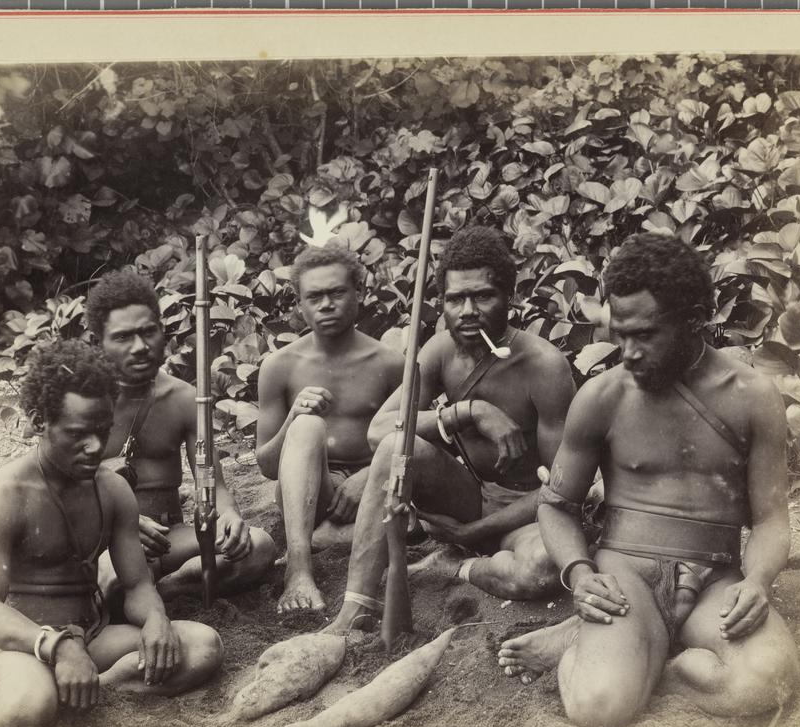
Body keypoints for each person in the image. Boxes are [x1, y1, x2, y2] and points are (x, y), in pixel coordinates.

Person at [497, 233, 800, 727]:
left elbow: (770, 521)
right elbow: (555, 505)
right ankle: (613, 646)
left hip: (713, 581)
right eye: (621, 333)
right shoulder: (603, 397)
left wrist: (758, 582)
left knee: (768, 681)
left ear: (696, 318)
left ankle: (647, 659)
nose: (629, 352)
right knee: (598, 707)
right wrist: (580, 573)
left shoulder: (753, 398)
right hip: (625, 580)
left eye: (646, 335)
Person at [0, 340, 223, 727]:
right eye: (78, 434)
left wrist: (156, 618)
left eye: (103, 432)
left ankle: (88, 690)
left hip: (91, 635)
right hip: (19, 644)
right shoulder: (5, 496)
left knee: (202, 647)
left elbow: (136, 584)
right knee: (22, 710)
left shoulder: (112, 490)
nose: (96, 448)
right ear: (38, 421)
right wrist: (56, 647)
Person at [325, 225, 576, 633]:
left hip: (530, 514)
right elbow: (381, 430)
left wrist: (473, 532)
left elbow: (561, 491)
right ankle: (357, 606)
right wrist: (467, 412)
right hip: (469, 495)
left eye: (483, 296)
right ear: (442, 302)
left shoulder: (544, 367)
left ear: (509, 298)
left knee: (541, 569)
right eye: (456, 298)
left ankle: (457, 565)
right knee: (394, 448)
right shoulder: (442, 351)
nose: (468, 311)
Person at [86, 270, 276, 601]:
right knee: (115, 578)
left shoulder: (185, 399)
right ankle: (143, 591)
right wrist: (120, 523)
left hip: (169, 537)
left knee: (259, 547)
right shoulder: (81, 402)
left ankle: (167, 589)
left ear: (163, 332)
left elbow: (213, 486)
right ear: (98, 343)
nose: (140, 347)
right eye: (122, 337)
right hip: (104, 539)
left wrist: (230, 516)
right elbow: (57, 489)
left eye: (148, 332)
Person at [256, 244, 404, 614]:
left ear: (359, 293)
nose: (326, 304)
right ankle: (299, 568)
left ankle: (319, 541)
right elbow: (267, 467)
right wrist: (292, 419)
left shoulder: (389, 363)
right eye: (315, 296)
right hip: (309, 495)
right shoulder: (280, 366)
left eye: (337, 292)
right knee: (306, 426)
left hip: (372, 491)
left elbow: (411, 442)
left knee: (407, 518)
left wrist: (368, 475)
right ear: (300, 304)